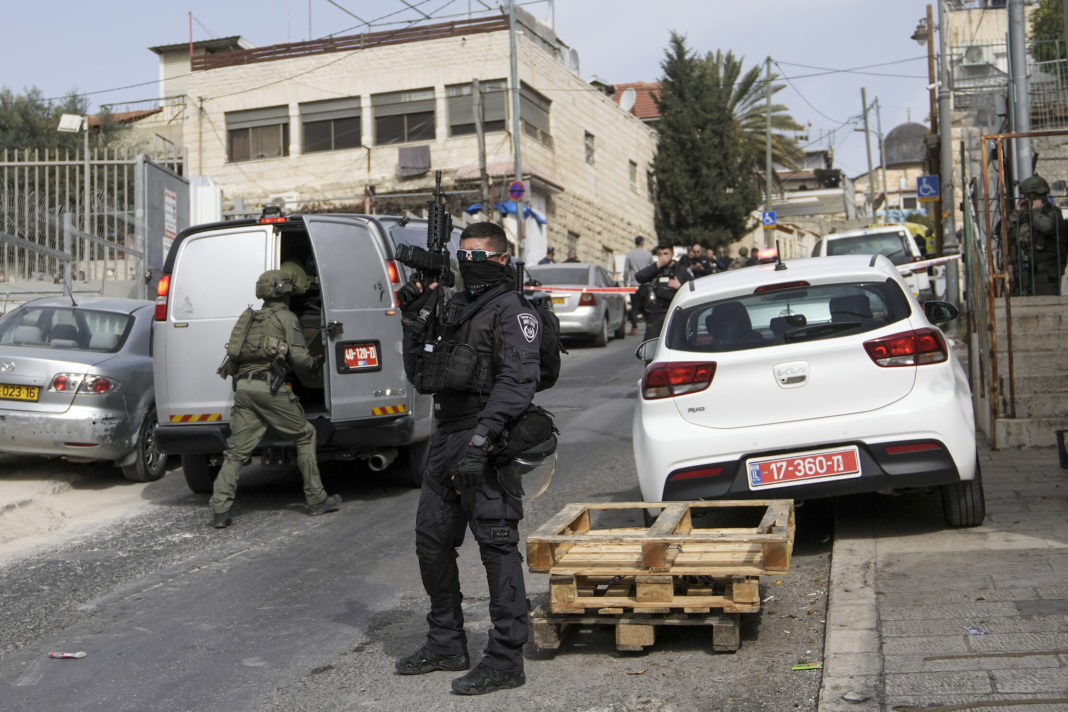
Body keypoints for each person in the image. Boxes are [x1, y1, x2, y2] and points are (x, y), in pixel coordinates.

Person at [395, 221, 540, 696]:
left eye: (479, 255)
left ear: (501, 259)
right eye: (464, 254)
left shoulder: (512, 310)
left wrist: (483, 440)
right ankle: (446, 642)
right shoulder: (454, 308)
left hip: (486, 439)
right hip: (445, 437)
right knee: (431, 541)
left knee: (496, 546)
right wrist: (413, 319)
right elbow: (421, 374)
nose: (468, 262)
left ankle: (505, 658)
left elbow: (518, 382)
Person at [209, 269, 340, 529]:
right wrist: (318, 364)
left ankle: (219, 511)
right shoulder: (286, 318)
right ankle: (316, 499)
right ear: (286, 292)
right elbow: (300, 359)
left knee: (235, 452)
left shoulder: (251, 318)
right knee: (305, 434)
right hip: (269, 388)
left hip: (244, 388)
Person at [1005, 174, 1067, 296]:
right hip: (1023, 275)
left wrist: (1034, 212)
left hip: (1045, 276)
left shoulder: (1053, 213)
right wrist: (1016, 214)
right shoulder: (1024, 215)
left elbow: (1046, 227)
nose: (1026, 199)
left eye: (1029, 197)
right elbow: (1007, 233)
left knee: (1047, 310)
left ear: (1037, 197)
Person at [634, 242, 692, 340]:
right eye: (660, 254)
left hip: (674, 310)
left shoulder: (680, 269)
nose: (663, 257)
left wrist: (680, 286)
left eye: (666, 254)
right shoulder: (656, 269)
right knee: (651, 340)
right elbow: (639, 277)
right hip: (657, 311)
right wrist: (657, 265)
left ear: (672, 254)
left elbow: (691, 287)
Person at [622, 235, 654, 335]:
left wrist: (625, 282)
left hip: (633, 283)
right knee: (646, 306)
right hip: (645, 284)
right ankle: (649, 326)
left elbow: (626, 270)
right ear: (643, 243)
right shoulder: (648, 254)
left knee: (634, 307)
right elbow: (651, 269)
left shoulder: (630, 255)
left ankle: (634, 327)